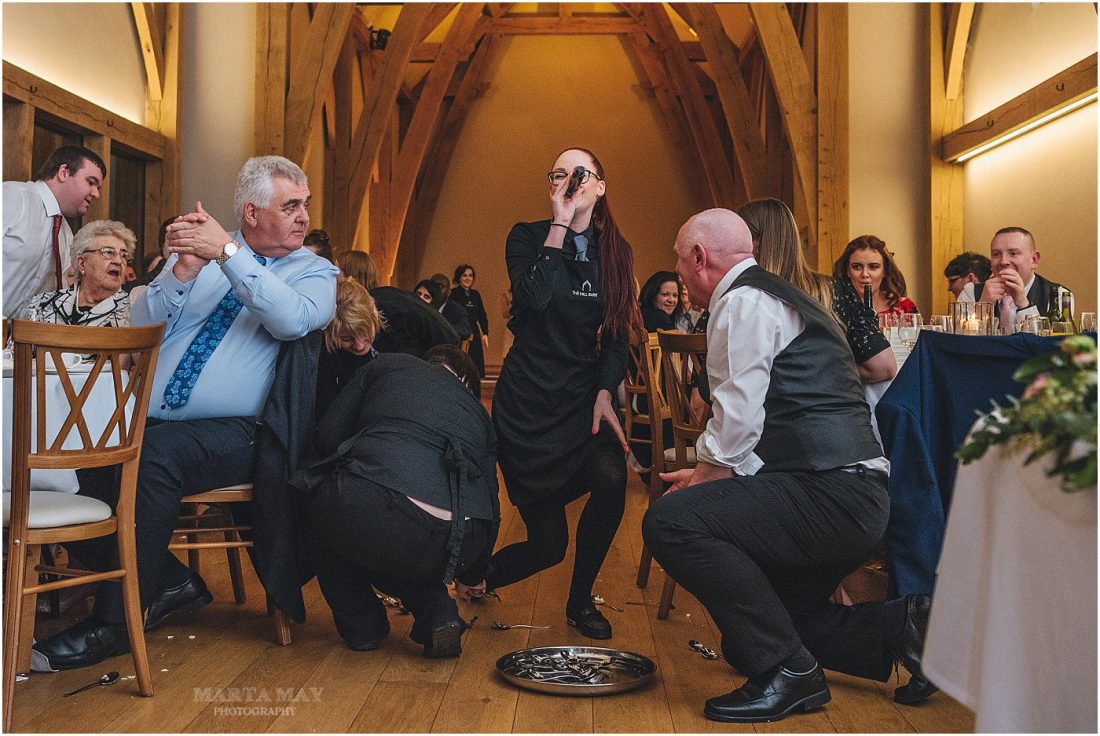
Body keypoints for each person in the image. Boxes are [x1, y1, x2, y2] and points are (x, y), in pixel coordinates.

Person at [34, 155, 338, 670]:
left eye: (304, 205)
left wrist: (227, 252)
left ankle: (115, 622)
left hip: (244, 434)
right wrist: (181, 272)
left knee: (151, 458)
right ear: (251, 211)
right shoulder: (206, 266)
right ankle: (170, 581)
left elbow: (292, 320)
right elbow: (147, 321)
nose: (304, 216)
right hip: (156, 422)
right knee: (80, 461)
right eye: (291, 206)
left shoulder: (313, 271)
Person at [642, 208, 934, 724]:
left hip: (832, 497)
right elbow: (767, 426)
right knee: (777, 622)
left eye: (678, 262)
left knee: (670, 521)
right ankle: (906, 629)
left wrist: (703, 481)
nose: (679, 277)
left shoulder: (743, 302)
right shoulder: (779, 295)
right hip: (857, 496)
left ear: (699, 257)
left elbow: (736, 418)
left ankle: (788, 673)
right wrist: (711, 478)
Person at [459, 147, 643, 641]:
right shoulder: (526, 237)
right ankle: (475, 577)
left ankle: (581, 600)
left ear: (600, 186)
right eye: (557, 174)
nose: (567, 180)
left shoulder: (616, 255)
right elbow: (534, 300)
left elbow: (617, 337)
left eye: (579, 173)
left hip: (583, 402)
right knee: (548, 545)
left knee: (611, 477)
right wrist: (558, 226)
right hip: (528, 406)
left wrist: (607, 390)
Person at [293, 350, 498, 658]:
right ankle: (440, 614)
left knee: (323, 504)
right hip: (462, 537)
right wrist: (472, 574)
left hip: (379, 511)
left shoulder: (387, 364)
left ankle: (363, 627)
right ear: (465, 381)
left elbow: (329, 436)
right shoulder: (478, 411)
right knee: (407, 541)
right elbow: (491, 499)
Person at [738, 198, 896, 383]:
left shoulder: (746, 295)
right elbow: (883, 367)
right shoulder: (833, 289)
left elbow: (884, 368)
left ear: (756, 243)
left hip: (774, 407)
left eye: (739, 238)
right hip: (839, 406)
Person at [3, 145, 106, 317]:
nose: (96, 194)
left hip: (20, 340)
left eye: (98, 188)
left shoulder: (66, 235)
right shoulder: (13, 196)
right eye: (91, 182)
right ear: (64, 172)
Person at [339, 250, 460, 356]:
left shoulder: (392, 301)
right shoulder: (342, 311)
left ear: (351, 276)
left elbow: (447, 335)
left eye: (337, 270)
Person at [21, 220, 134, 327]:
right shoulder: (43, 303)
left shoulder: (132, 309)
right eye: (108, 252)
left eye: (123, 255)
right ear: (82, 263)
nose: (119, 261)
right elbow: (17, 347)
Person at [955, 226, 1069, 334]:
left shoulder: (1059, 295)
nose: (1003, 261)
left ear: (1034, 260)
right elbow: (960, 342)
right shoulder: (970, 292)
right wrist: (983, 306)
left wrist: (1024, 305)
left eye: (1013, 253)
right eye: (996, 254)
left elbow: (1050, 347)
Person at [316, 279, 385, 416]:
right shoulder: (324, 360)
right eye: (346, 339)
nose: (359, 346)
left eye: (364, 333)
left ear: (375, 316)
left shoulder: (399, 335)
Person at [832, 235, 918, 316]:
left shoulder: (903, 307)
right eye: (857, 267)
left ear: (885, 271)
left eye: (873, 267)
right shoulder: (833, 307)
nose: (864, 274)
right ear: (848, 271)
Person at [449, 264, 489, 374]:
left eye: (470, 275)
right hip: (458, 332)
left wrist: (485, 333)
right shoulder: (453, 294)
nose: (468, 278)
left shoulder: (476, 295)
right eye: (464, 275)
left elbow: (482, 315)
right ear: (458, 278)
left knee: (475, 362)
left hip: (474, 332)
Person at [429, 272, 473, 342]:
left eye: (440, 286)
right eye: (433, 286)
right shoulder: (423, 302)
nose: (436, 290)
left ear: (448, 292)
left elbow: (465, 330)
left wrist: (440, 325)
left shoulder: (457, 309)